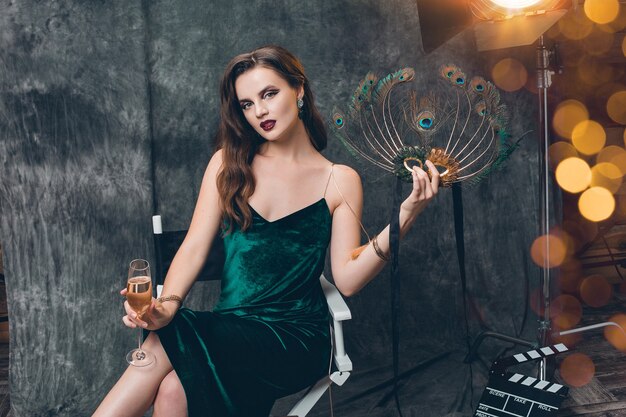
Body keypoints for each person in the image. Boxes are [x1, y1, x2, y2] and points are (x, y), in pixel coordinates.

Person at [93, 44, 439, 417]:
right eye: (246, 104)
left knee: (168, 335)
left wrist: (404, 217)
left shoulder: (339, 179)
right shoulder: (228, 163)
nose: (259, 111)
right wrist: (169, 305)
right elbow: (194, 247)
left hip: (296, 338)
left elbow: (348, 280)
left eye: (269, 94)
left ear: (299, 90)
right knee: (173, 390)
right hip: (231, 327)